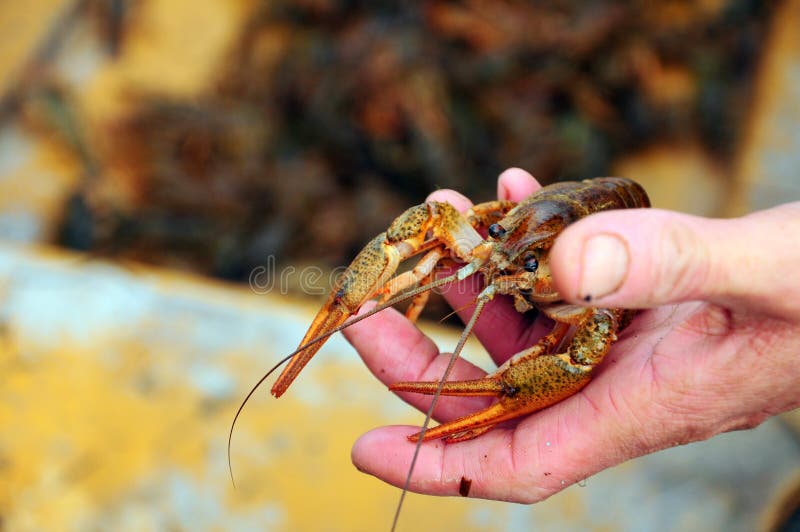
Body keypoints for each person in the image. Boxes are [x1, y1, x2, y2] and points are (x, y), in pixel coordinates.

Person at [343, 167, 800, 503]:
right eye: (497, 231)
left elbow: (583, 349)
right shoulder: (502, 233)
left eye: (527, 265)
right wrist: (483, 244)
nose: (499, 260)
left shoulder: (588, 302)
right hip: (557, 204)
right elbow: (454, 219)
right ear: (499, 222)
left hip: (617, 201)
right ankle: (348, 304)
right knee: (438, 219)